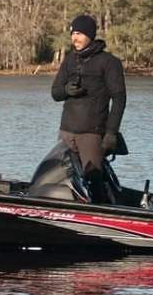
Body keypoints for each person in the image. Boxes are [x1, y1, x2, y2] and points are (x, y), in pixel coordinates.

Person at [50, 15, 126, 199]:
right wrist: (67, 90)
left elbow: (119, 98)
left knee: (94, 179)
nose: (74, 38)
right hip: (66, 132)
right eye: (72, 34)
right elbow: (55, 93)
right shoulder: (69, 60)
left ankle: (102, 213)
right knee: (61, 180)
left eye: (79, 34)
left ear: (90, 35)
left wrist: (111, 133)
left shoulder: (109, 62)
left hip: (92, 133)